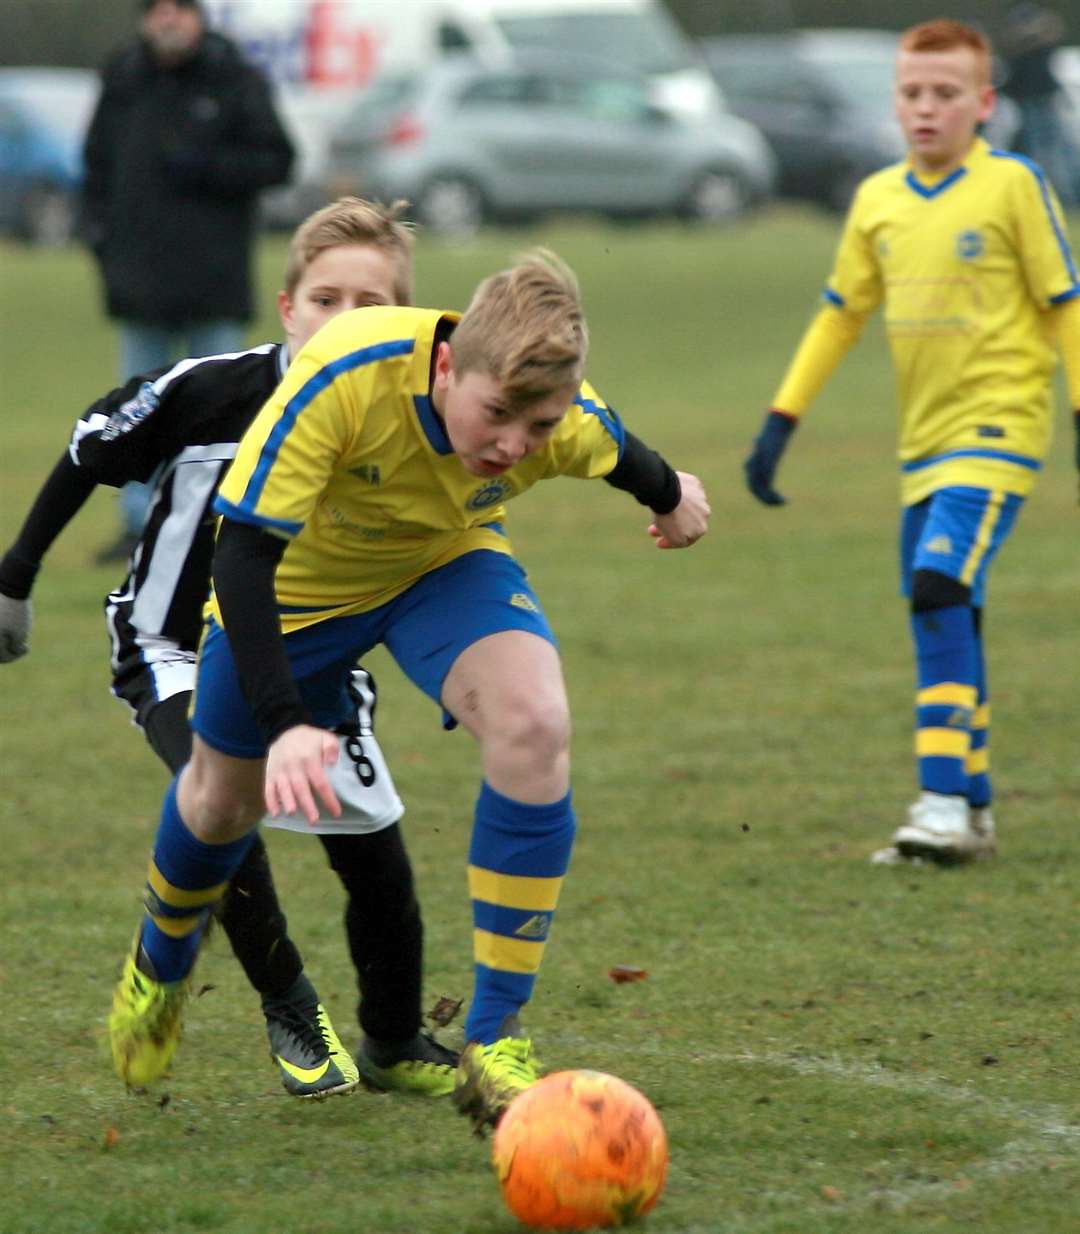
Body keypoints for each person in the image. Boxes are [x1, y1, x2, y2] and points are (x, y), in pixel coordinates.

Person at [105, 249, 710, 1127]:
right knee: (219, 805)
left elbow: (624, 454)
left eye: (537, 428)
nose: (512, 446)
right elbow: (241, 555)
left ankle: (495, 1040)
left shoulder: (560, 416)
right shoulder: (346, 375)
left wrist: (671, 497)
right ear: (445, 365)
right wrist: (285, 725)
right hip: (293, 589)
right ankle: (158, 968)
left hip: (439, 569)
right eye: (497, 414)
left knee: (535, 722)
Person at [0, 198, 458, 1098]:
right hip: (168, 642)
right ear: (288, 309)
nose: (345, 320)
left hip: (308, 659)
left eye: (371, 304)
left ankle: (397, 1040)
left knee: (374, 848)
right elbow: (89, 451)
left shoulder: (403, 425)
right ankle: (284, 998)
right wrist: (15, 578)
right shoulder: (206, 391)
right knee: (221, 793)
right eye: (326, 299)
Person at [744, 19, 1080, 866]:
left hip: (1001, 428)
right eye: (911, 94)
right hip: (923, 443)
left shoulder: (1013, 185)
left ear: (985, 104)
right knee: (948, 607)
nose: (926, 110)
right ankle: (973, 810)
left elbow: (1063, 302)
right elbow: (840, 314)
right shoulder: (879, 199)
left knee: (936, 584)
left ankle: (937, 802)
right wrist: (780, 421)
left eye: (946, 94)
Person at [79, 0, 295, 563]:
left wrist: (206, 163)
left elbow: (277, 160)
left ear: (200, 17)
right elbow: (96, 165)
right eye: (156, 9)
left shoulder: (234, 78)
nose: (168, 19)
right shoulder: (124, 78)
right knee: (136, 408)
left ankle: (224, 519)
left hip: (212, 281)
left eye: (180, 8)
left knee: (221, 406)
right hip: (138, 279)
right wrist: (100, 236)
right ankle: (138, 527)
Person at [1001, 4, 1080, 207]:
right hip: (1035, 106)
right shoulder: (1024, 50)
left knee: (1053, 154)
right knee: (1050, 154)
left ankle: (1061, 197)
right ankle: (1058, 197)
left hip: (1040, 106)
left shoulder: (1032, 48)